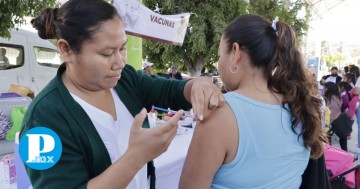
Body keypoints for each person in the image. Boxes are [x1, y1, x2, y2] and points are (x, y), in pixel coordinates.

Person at [20, 1, 224, 189]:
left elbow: (171, 91)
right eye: (107, 53)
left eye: (123, 49)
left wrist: (198, 84)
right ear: (66, 50)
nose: (119, 62)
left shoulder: (124, 80)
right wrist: (136, 157)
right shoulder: (40, 121)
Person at [180, 14, 324, 188]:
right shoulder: (300, 108)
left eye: (219, 56)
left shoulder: (219, 114)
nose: (219, 63)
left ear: (235, 52)